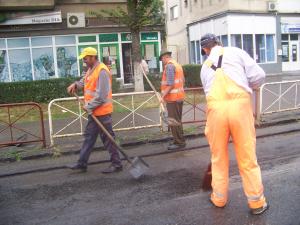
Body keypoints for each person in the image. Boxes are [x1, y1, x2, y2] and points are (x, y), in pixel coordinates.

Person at [200, 33, 269, 215]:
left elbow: (207, 91)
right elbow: (259, 76)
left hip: (216, 111)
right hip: (240, 108)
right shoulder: (236, 52)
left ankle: (219, 198)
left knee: (218, 158)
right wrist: (248, 84)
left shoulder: (204, 67)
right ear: (218, 43)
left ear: (205, 49)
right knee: (247, 157)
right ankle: (256, 203)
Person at [67, 47, 122, 174]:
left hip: (102, 113)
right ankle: (82, 164)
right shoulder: (91, 69)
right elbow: (84, 82)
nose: (84, 61)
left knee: (108, 139)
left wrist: (89, 106)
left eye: (85, 59)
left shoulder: (102, 70)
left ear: (93, 57)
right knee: (89, 138)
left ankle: (117, 164)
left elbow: (102, 96)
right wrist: (75, 85)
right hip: (93, 113)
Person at [159, 50, 186, 150]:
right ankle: (179, 140)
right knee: (177, 121)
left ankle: (179, 143)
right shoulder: (177, 65)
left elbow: (170, 84)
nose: (162, 61)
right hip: (179, 97)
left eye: (162, 59)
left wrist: (162, 97)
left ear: (165, 57)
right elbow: (183, 80)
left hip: (173, 99)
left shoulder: (169, 66)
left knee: (174, 121)